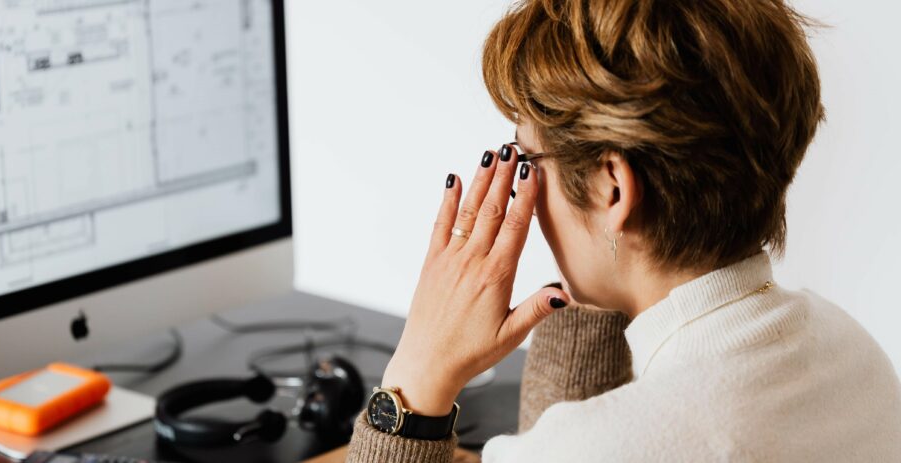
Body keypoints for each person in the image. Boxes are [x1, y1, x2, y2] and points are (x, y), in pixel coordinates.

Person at [346, 0, 901, 461]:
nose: (523, 192)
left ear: (613, 186)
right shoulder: (855, 355)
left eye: (528, 160)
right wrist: (601, 277)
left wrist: (416, 377)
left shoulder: (585, 451)